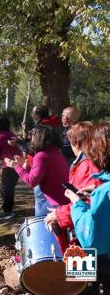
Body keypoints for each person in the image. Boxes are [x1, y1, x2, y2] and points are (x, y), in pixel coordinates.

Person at [44, 121, 101, 252]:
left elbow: (86, 202)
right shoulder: (88, 162)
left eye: (71, 142)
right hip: (85, 229)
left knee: (83, 272)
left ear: (77, 143)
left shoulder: (88, 166)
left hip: (87, 235)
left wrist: (58, 215)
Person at [68, 121, 110, 293]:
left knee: (82, 287)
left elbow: (91, 239)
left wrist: (74, 204)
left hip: (86, 241)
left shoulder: (86, 165)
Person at [11, 105, 62, 216]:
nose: (31, 115)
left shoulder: (42, 154)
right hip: (55, 193)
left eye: (33, 113)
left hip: (48, 193)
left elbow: (32, 181)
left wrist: (16, 165)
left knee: (41, 203)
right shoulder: (54, 151)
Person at [6, 124, 70, 211]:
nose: (30, 140)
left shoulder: (41, 156)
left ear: (38, 138)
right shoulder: (56, 152)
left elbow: (32, 181)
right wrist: (27, 167)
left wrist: (16, 166)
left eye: (32, 136)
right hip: (63, 198)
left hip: (52, 201)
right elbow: (46, 174)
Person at [0, 117, 22, 219]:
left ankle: (7, 212)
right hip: (17, 163)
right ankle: (8, 209)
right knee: (8, 188)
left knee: (5, 189)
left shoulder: (1, 137)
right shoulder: (12, 134)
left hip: (9, 165)